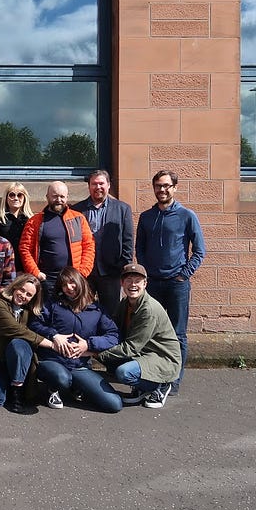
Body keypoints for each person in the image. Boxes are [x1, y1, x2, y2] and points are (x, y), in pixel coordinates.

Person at [135, 169, 206, 395]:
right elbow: (140, 249)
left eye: (166, 186)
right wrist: (146, 273)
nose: (162, 190)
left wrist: (183, 274)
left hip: (177, 285)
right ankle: (151, 376)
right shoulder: (146, 217)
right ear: (154, 188)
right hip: (153, 284)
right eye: (158, 186)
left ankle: (174, 380)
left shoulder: (187, 216)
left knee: (177, 334)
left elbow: (199, 251)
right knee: (149, 331)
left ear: (175, 187)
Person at [29, 267, 122, 413]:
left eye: (72, 283)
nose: (68, 288)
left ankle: (77, 386)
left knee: (114, 404)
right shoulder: (53, 304)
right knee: (62, 379)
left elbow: (113, 336)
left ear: (81, 282)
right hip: (52, 360)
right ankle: (53, 389)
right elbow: (34, 324)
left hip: (79, 365)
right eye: (64, 285)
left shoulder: (97, 310)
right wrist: (54, 335)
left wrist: (88, 344)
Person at [96, 263, 181, 409]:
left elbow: (131, 347)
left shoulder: (148, 309)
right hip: (143, 353)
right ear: (122, 283)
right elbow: (114, 330)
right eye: (128, 280)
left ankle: (160, 385)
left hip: (162, 356)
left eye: (137, 281)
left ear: (145, 284)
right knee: (110, 361)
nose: (133, 285)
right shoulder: (125, 303)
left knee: (123, 373)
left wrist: (95, 352)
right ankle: (143, 387)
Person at [0, 274, 43, 415]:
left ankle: (17, 391)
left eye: (29, 295)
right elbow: (16, 329)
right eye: (22, 290)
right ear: (15, 286)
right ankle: (6, 387)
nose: (23, 295)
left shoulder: (29, 312)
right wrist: (49, 343)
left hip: (19, 362)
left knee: (18, 344)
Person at [72, 170, 133, 319]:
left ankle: (109, 341)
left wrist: (122, 267)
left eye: (101, 183)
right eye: (94, 184)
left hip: (111, 272)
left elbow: (128, 241)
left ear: (109, 185)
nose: (98, 187)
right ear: (89, 186)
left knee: (111, 314)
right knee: (82, 311)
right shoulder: (76, 210)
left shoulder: (122, 209)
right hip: (84, 273)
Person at [18, 181, 94, 299]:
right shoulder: (35, 221)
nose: (59, 199)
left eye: (62, 196)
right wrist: (36, 272)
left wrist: (82, 273)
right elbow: (25, 248)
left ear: (67, 197)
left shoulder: (79, 219)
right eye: (55, 196)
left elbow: (89, 246)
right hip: (46, 279)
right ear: (47, 197)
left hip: (73, 280)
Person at [0, 182, 33, 252]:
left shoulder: (30, 220)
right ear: (6, 198)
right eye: (12, 195)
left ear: (24, 198)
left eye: (20, 195)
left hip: (24, 260)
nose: (16, 198)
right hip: (5, 260)